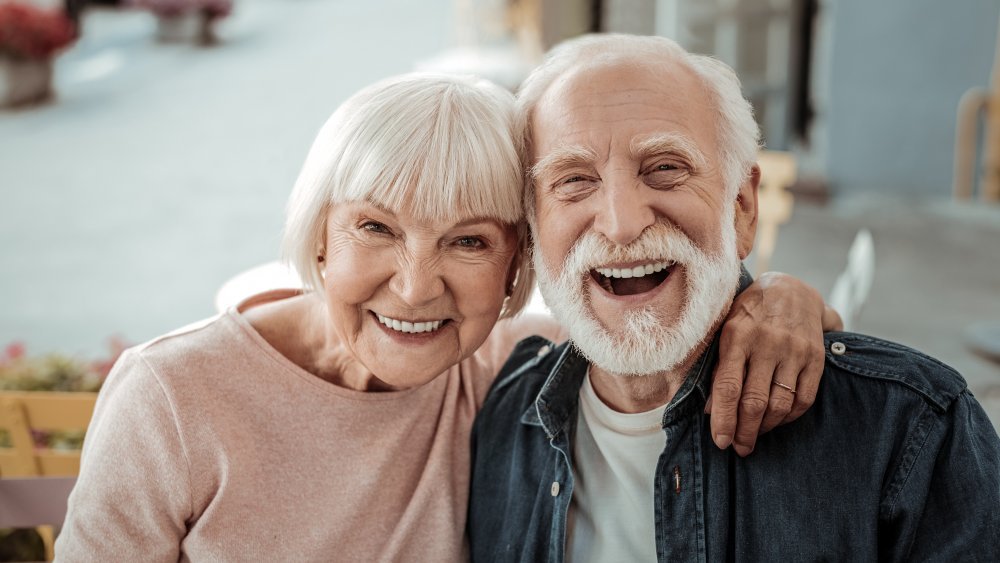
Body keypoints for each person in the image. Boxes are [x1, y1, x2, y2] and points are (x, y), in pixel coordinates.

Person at [56, 73, 836, 561]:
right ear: (318, 236)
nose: (416, 286)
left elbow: (669, 321)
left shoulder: (509, 369)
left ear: (512, 273)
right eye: (376, 227)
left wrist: (777, 297)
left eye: (467, 240)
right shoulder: (172, 395)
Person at [467, 34, 1000, 562]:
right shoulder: (499, 414)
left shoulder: (909, 429)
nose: (622, 223)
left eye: (665, 168)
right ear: (534, 231)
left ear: (742, 207)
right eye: (575, 181)